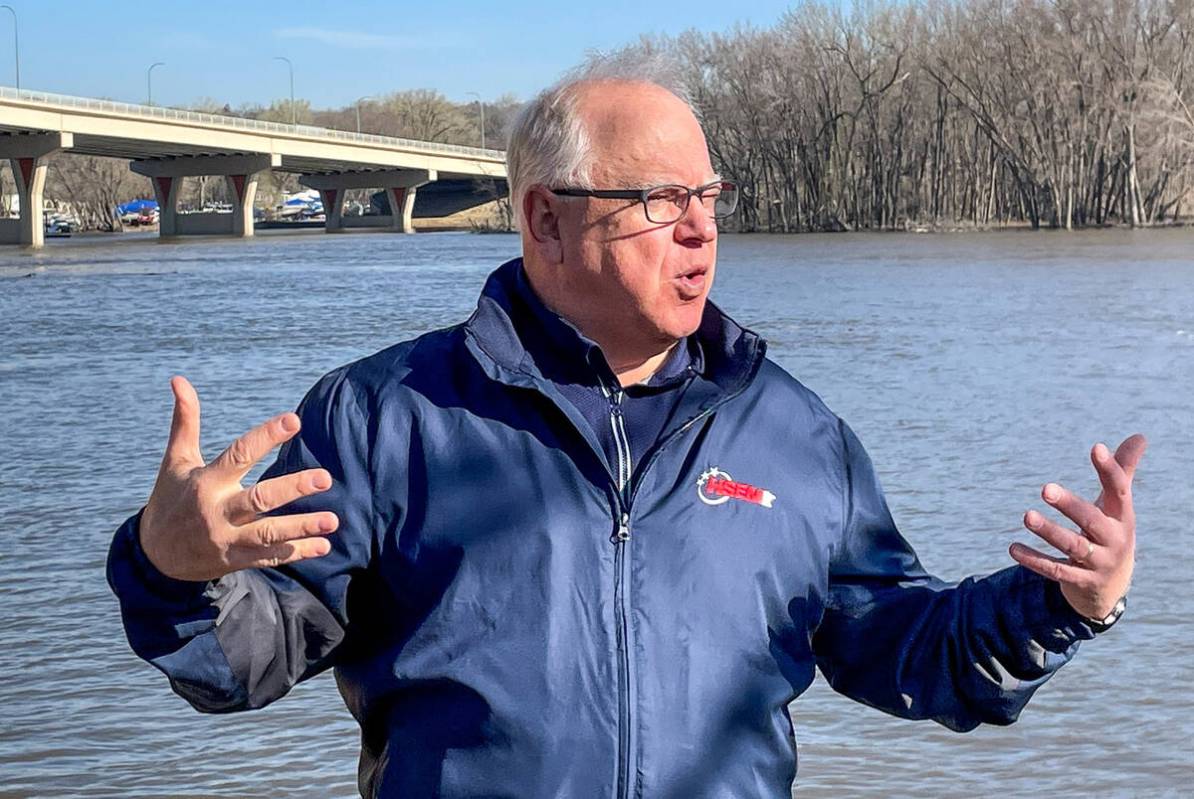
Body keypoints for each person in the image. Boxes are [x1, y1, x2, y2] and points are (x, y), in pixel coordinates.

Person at [108, 54, 1146, 798]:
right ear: (544, 220)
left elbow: (903, 648)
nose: (700, 227)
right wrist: (169, 566)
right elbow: (244, 663)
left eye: (707, 195)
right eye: (658, 199)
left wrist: (1062, 603)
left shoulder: (793, 432)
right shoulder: (389, 417)